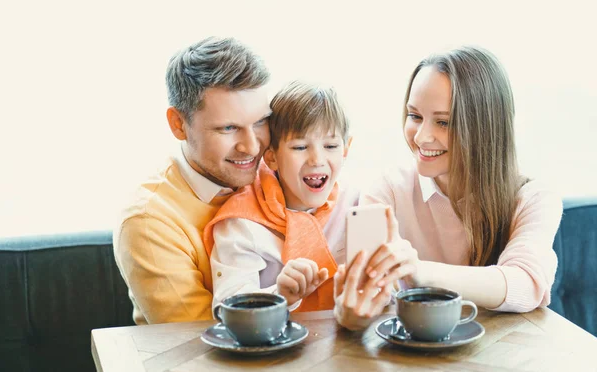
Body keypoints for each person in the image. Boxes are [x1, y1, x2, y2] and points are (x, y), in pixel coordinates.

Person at [333, 46, 563, 330]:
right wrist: (352, 314)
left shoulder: (533, 199)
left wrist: (420, 271)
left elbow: (526, 284)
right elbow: (362, 297)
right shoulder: (388, 190)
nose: (421, 136)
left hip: (503, 357)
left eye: (443, 122)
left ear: (485, 128)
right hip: (413, 361)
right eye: (414, 116)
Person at [113, 37, 272, 324]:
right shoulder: (147, 221)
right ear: (178, 124)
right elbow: (202, 345)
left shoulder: (278, 172)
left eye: (260, 122)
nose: (252, 146)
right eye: (228, 128)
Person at [203, 81, 358, 312]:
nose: (317, 159)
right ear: (271, 157)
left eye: (331, 146)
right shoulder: (242, 222)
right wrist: (281, 295)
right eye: (300, 147)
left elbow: (384, 292)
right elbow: (229, 306)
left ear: (345, 150)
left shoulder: (357, 205)